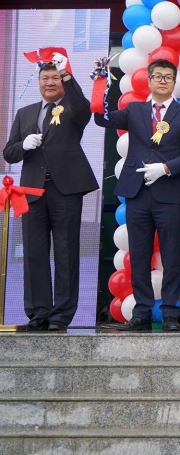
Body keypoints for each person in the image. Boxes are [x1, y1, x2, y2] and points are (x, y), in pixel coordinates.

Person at [94, 59, 180, 332]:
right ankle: (141, 313)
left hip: (169, 194)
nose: (163, 80)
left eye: (168, 77)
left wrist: (166, 167)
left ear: (174, 82)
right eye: (158, 76)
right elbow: (101, 117)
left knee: (169, 256)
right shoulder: (135, 110)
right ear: (149, 80)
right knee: (139, 255)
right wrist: (100, 84)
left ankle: (169, 313)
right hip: (138, 193)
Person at [3, 59, 98, 332]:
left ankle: (61, 316)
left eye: (56, 78)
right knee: (34, 254)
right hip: (31, 192)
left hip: (65, 190)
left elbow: (83, 106)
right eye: (46, 78)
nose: (50, 83)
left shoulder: (72, 108)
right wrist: (24, 144)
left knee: (66, 253)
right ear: (39, 82)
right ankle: (38, 313)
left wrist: (68, 73)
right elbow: (9, 152)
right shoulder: (25, 113)